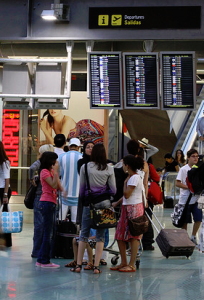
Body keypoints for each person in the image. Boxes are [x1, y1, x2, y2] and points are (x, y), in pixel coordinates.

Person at [71, 144, 116, 274]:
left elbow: (82, 189)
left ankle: (78, 265)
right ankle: (96, 266)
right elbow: (113, 190)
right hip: (104, 204)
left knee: (83, 234)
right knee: (100, 236)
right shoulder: (109, 169)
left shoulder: (85, 167)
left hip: (88, 204)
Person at [111, 155, 144, 272]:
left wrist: (125, 183)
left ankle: (131, 264)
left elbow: (127, 194)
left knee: (133, 236)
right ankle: (124, 262)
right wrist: (117, 202)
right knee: (120, 235)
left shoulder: (134, 178)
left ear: (127, 165)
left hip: (133, 208)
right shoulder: (131, 177)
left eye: (124, 164)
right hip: (128, 207)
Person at [36, 151, 65, 268]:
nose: (57, 163)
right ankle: (45, 261)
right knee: (48, 233)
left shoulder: (50, 171)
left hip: (51, 202)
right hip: (46, 203)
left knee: (49, 232)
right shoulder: (44, 172)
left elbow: (57, 185)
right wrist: (56, 171)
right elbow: (53, 185)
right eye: (55, 160)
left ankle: (40, 259)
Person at [29, 144, 54, 258]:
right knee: (49, 226)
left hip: (40, 196)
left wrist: (31, 179)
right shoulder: (52, 164)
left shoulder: (41, 163)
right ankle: (47, 251)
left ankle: (36, 251)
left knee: (39, 225)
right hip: (51, 196)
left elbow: (31, 168)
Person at [175, 149, 202, 245]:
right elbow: (177, 183)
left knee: (198, 219)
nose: (196, 158)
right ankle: (185, 239)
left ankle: (193, 236)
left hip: (197, 199)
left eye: (197, 156)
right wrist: (189, 187)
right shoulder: (183, 169)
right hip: (185, 199)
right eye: (193, 156)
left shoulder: (199, 168)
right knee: (184, 221)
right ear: (188, 158)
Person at [58, 138, 82, 223]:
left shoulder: (61, 157)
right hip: (77, 194)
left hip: (64, 193)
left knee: (61, 219)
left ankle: (61, 235)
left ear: (69, 146)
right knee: (75, 221)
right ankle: (74, 235)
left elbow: (58, 174)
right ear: (78, 147)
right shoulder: (82, 158)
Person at [0, 141, 11, 248]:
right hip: (3, 190)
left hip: (3, 190)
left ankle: (6, 241)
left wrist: (5, 194)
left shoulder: (5, 162)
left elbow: (7, 179)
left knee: (4, 216)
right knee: (3, 216)